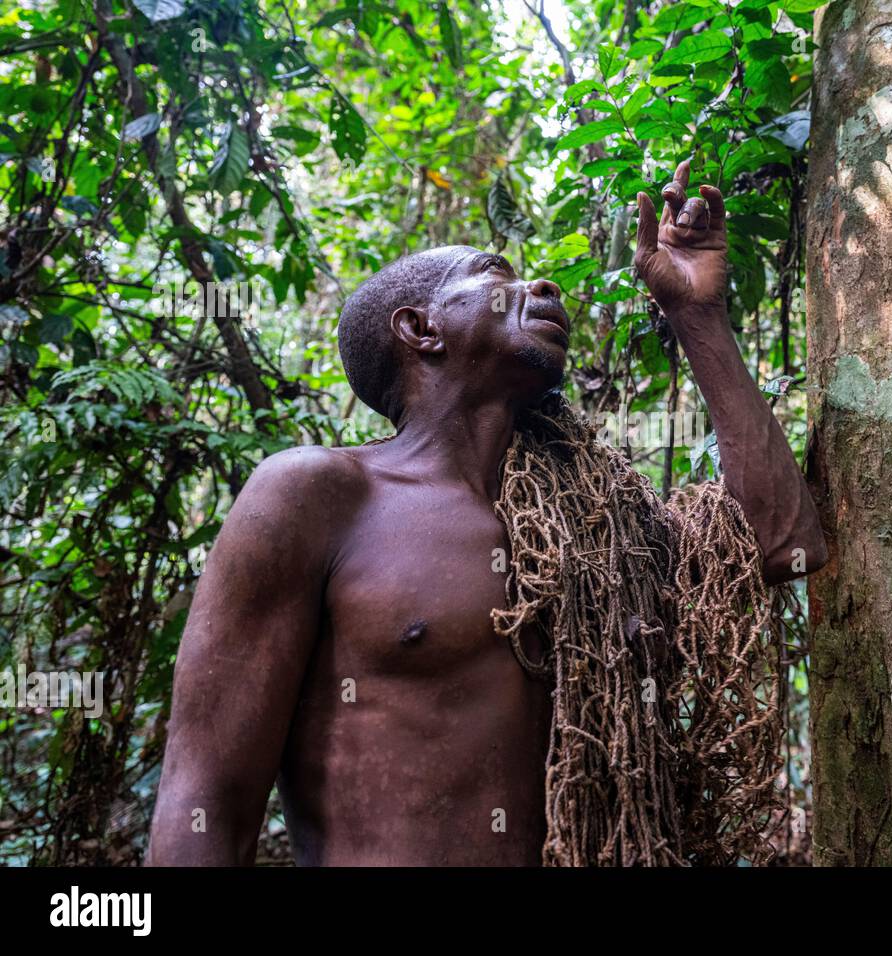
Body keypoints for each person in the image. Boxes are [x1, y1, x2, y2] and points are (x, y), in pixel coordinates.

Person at [148, 160, 826, 866]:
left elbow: (784, 546)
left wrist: (696, 315)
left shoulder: (594, 529)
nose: (544, 286)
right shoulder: (316, 495)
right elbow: (205, 805)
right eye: (498, 273)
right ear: (420, 328)